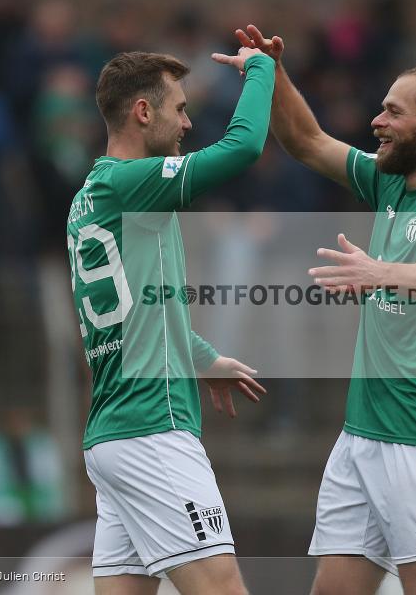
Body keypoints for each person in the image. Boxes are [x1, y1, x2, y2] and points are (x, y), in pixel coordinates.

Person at [225, 26, 416, 595]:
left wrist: (381, 273)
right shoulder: (390, 184)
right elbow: (305, 140)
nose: (377, 121)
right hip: (361, 438)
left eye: (392, 111)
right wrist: (273, 74)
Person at [66, 46, 273, 595]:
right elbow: (245, 145)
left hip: (113, 438)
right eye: (179, 109)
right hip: (152, 430)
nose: (187, 122)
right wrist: (262, 69)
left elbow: (140, 305)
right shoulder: (135, 183)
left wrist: (202, 358)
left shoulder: (88, 197)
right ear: (142, 112)